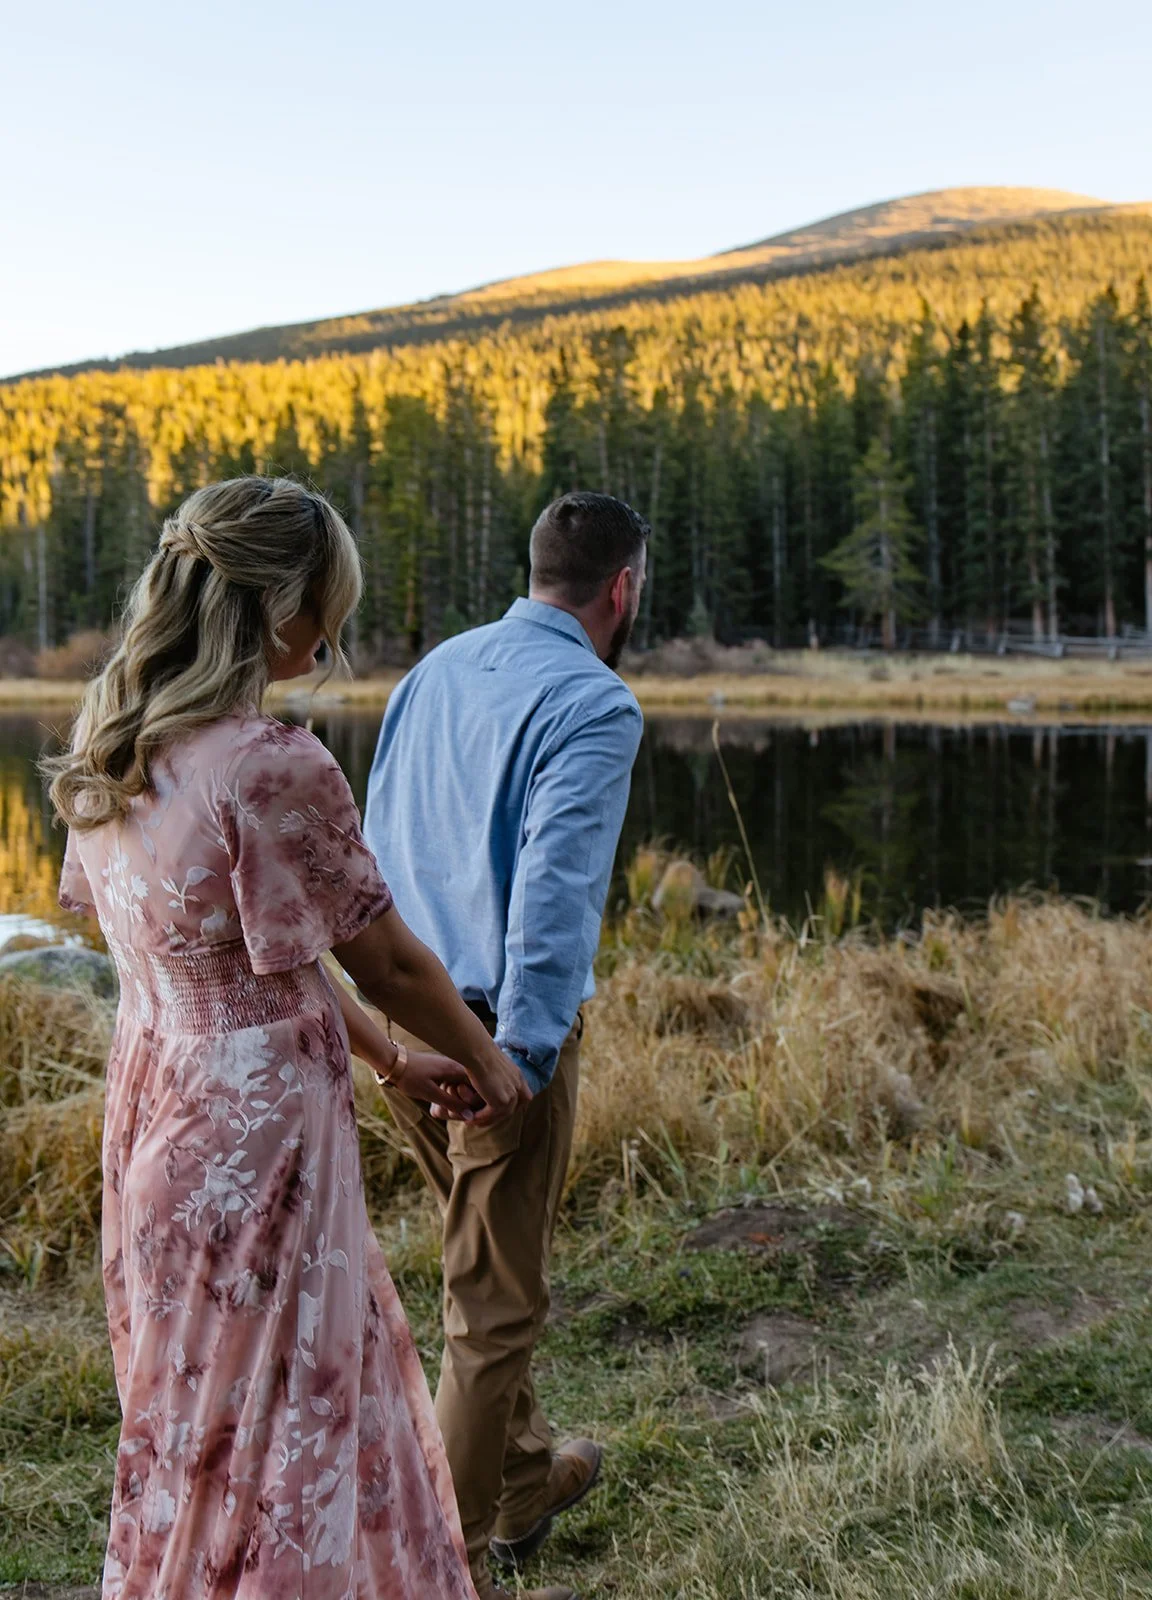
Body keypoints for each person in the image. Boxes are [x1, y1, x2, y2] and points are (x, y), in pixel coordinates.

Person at [47, 476, 529, 1600]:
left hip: (159, 1102)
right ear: (276, 605)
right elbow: (389, 957)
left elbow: (265, 956)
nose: (335, 631)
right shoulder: (268, 761)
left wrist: (391, 1058)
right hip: (255, 1141)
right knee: (286, 1420)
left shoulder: (118, 740)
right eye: (328, 601)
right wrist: (494, 1062)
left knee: (200, 1417)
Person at [363, 491, 648, 1600]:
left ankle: (525, 1482)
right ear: (621, 589)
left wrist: (386, 1024)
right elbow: (556, 893)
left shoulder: (433, 670)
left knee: (480, 1255)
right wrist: (519, 1056)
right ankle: (449, 1559)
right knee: (493, 1308)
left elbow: (372, 848)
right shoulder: (594, 700)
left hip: (402, 1023)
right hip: (490, 1036)